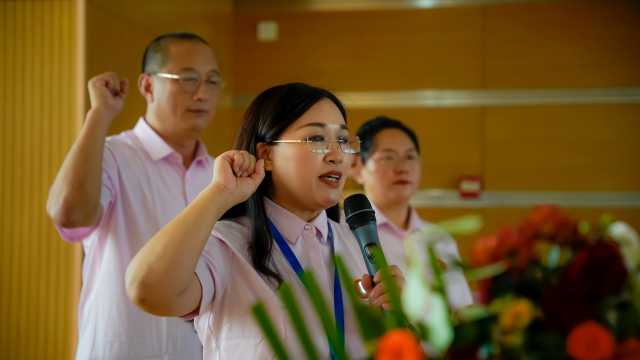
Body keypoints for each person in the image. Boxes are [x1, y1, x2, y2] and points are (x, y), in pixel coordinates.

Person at [125, 83, 405, 359]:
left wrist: (402, 314)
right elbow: (147, 290)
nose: (336, 155)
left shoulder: (358, 243)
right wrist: (218, 195)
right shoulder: (226, 245)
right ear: (266, 155)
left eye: (343, 141)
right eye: (316, 140)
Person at [46, 32, 223, 359]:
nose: (202, 93)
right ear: (147, 86)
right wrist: (99, 114)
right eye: (187, 79)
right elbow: (69, 215)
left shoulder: (220, 176)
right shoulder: (112, 155)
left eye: (212, 81)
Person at [350, 116, 472, 308]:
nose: (403, 168)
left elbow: (462, 309)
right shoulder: (339, 233)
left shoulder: (440, 238)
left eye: (410, 157)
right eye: (388, 157)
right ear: (356, 167)